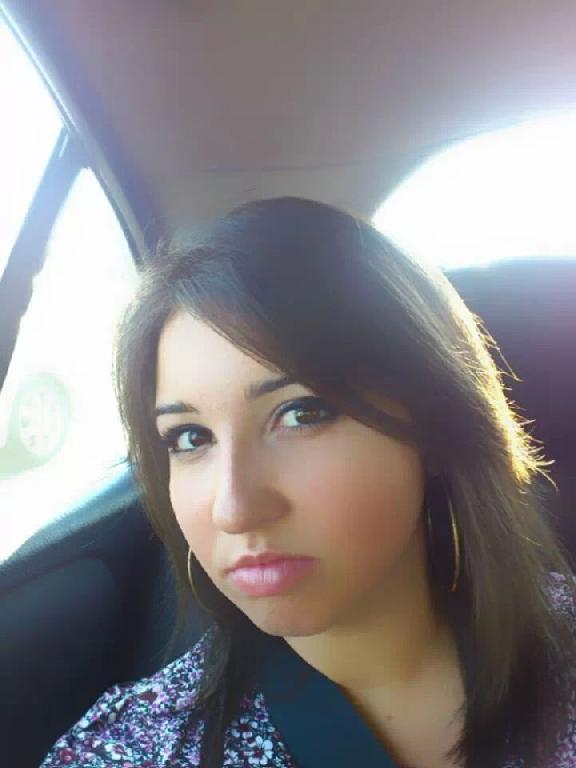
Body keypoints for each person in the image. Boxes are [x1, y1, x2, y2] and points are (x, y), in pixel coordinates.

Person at [40, 197, 576, 768]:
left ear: (435, 425)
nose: (234, 509)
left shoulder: (560, 644)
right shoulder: (131, 751)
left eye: (302, 413)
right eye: (190, 437)